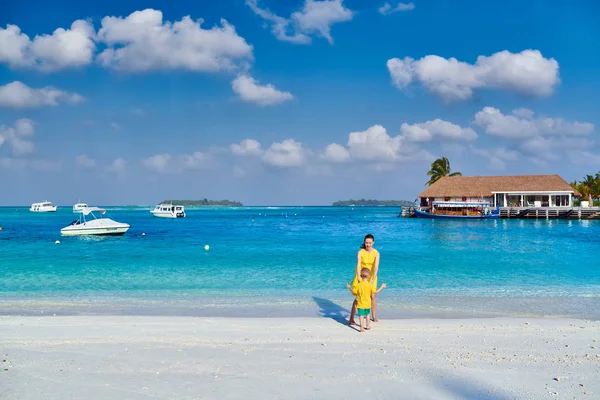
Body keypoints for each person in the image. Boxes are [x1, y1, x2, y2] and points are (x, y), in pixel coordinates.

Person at [348, 234, 380, 326]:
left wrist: (372, 280)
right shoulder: (360, 252)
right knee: (358, 297)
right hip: (361, 275)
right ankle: (351, 318)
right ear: (364, 242)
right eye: (366, 243)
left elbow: (376, 268)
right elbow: (358, 264)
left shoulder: (376, 253)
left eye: (370, 243)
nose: (368, 245)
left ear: (373, 242)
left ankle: (373, 317)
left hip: (372, 276)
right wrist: (359, 278)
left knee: (373, 297)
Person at [346, 268, 386, 332]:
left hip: (360, 303)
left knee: (361, 316)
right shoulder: (370, 285)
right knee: (367, 314)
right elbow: (375, 292)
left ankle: (361, 328)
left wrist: (349, 287)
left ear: (361, 276)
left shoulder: (359, 285)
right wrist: (382, 286)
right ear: (369, 276)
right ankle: (367, 326)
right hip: (368, 303)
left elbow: (354, 292)